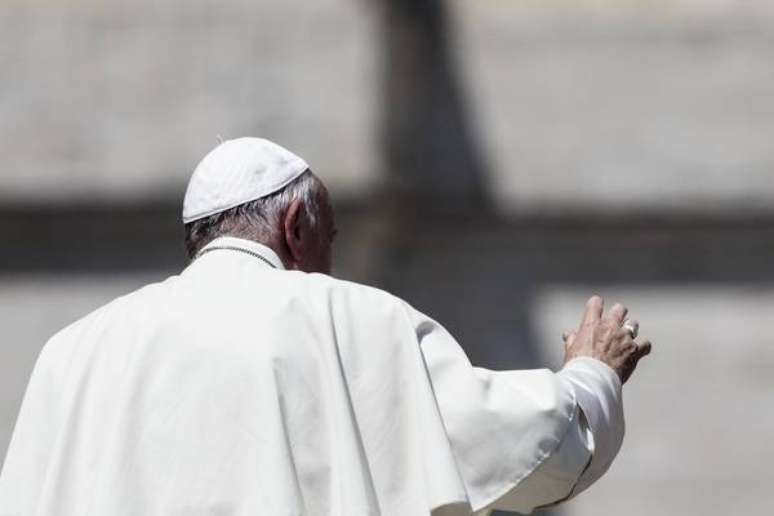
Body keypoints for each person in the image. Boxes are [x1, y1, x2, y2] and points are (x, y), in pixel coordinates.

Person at [0, 138, 651, 516]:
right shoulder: (348, 319)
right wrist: (592, 374)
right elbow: (530, 444)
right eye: (331, 236)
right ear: (297, 226)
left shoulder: (71, 354)